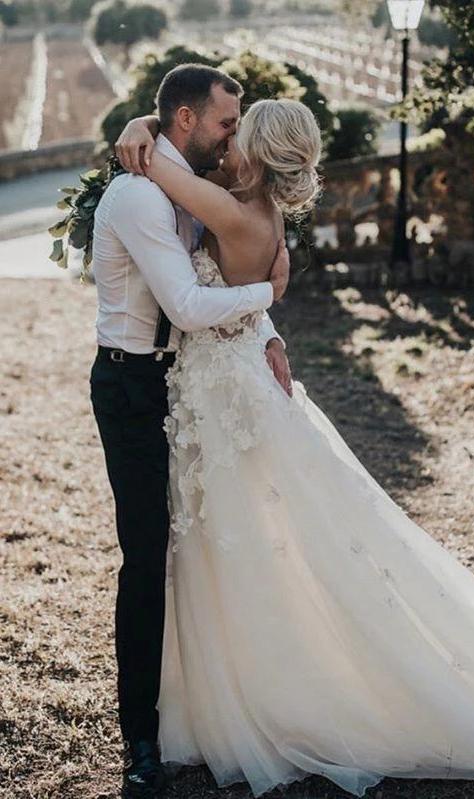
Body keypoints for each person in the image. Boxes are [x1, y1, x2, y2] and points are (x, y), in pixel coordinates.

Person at [117, 95, 474, 799]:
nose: (228, 137)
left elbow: (157, 166)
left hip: (229, 395)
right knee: (230, 538)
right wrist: (266, 317)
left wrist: (140, 126)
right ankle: (230, 685)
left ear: (257, 145)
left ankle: (270, 693)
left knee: (246, 537)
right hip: (219, 381)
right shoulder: (237, 201)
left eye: (237, 130)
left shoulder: (239, 213)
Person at [90, 64, 292, 799]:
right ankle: (140, 738)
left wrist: (265, 330)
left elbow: (212, 260)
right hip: (133, 386)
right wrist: (264, 295)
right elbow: (182, 301)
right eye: (223, 124)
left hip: (186, 383)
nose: (229, 137)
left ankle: (209, 704)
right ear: (184, 121)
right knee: (147, 557)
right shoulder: (142, 194)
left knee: (206, 543)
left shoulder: (184, 180)